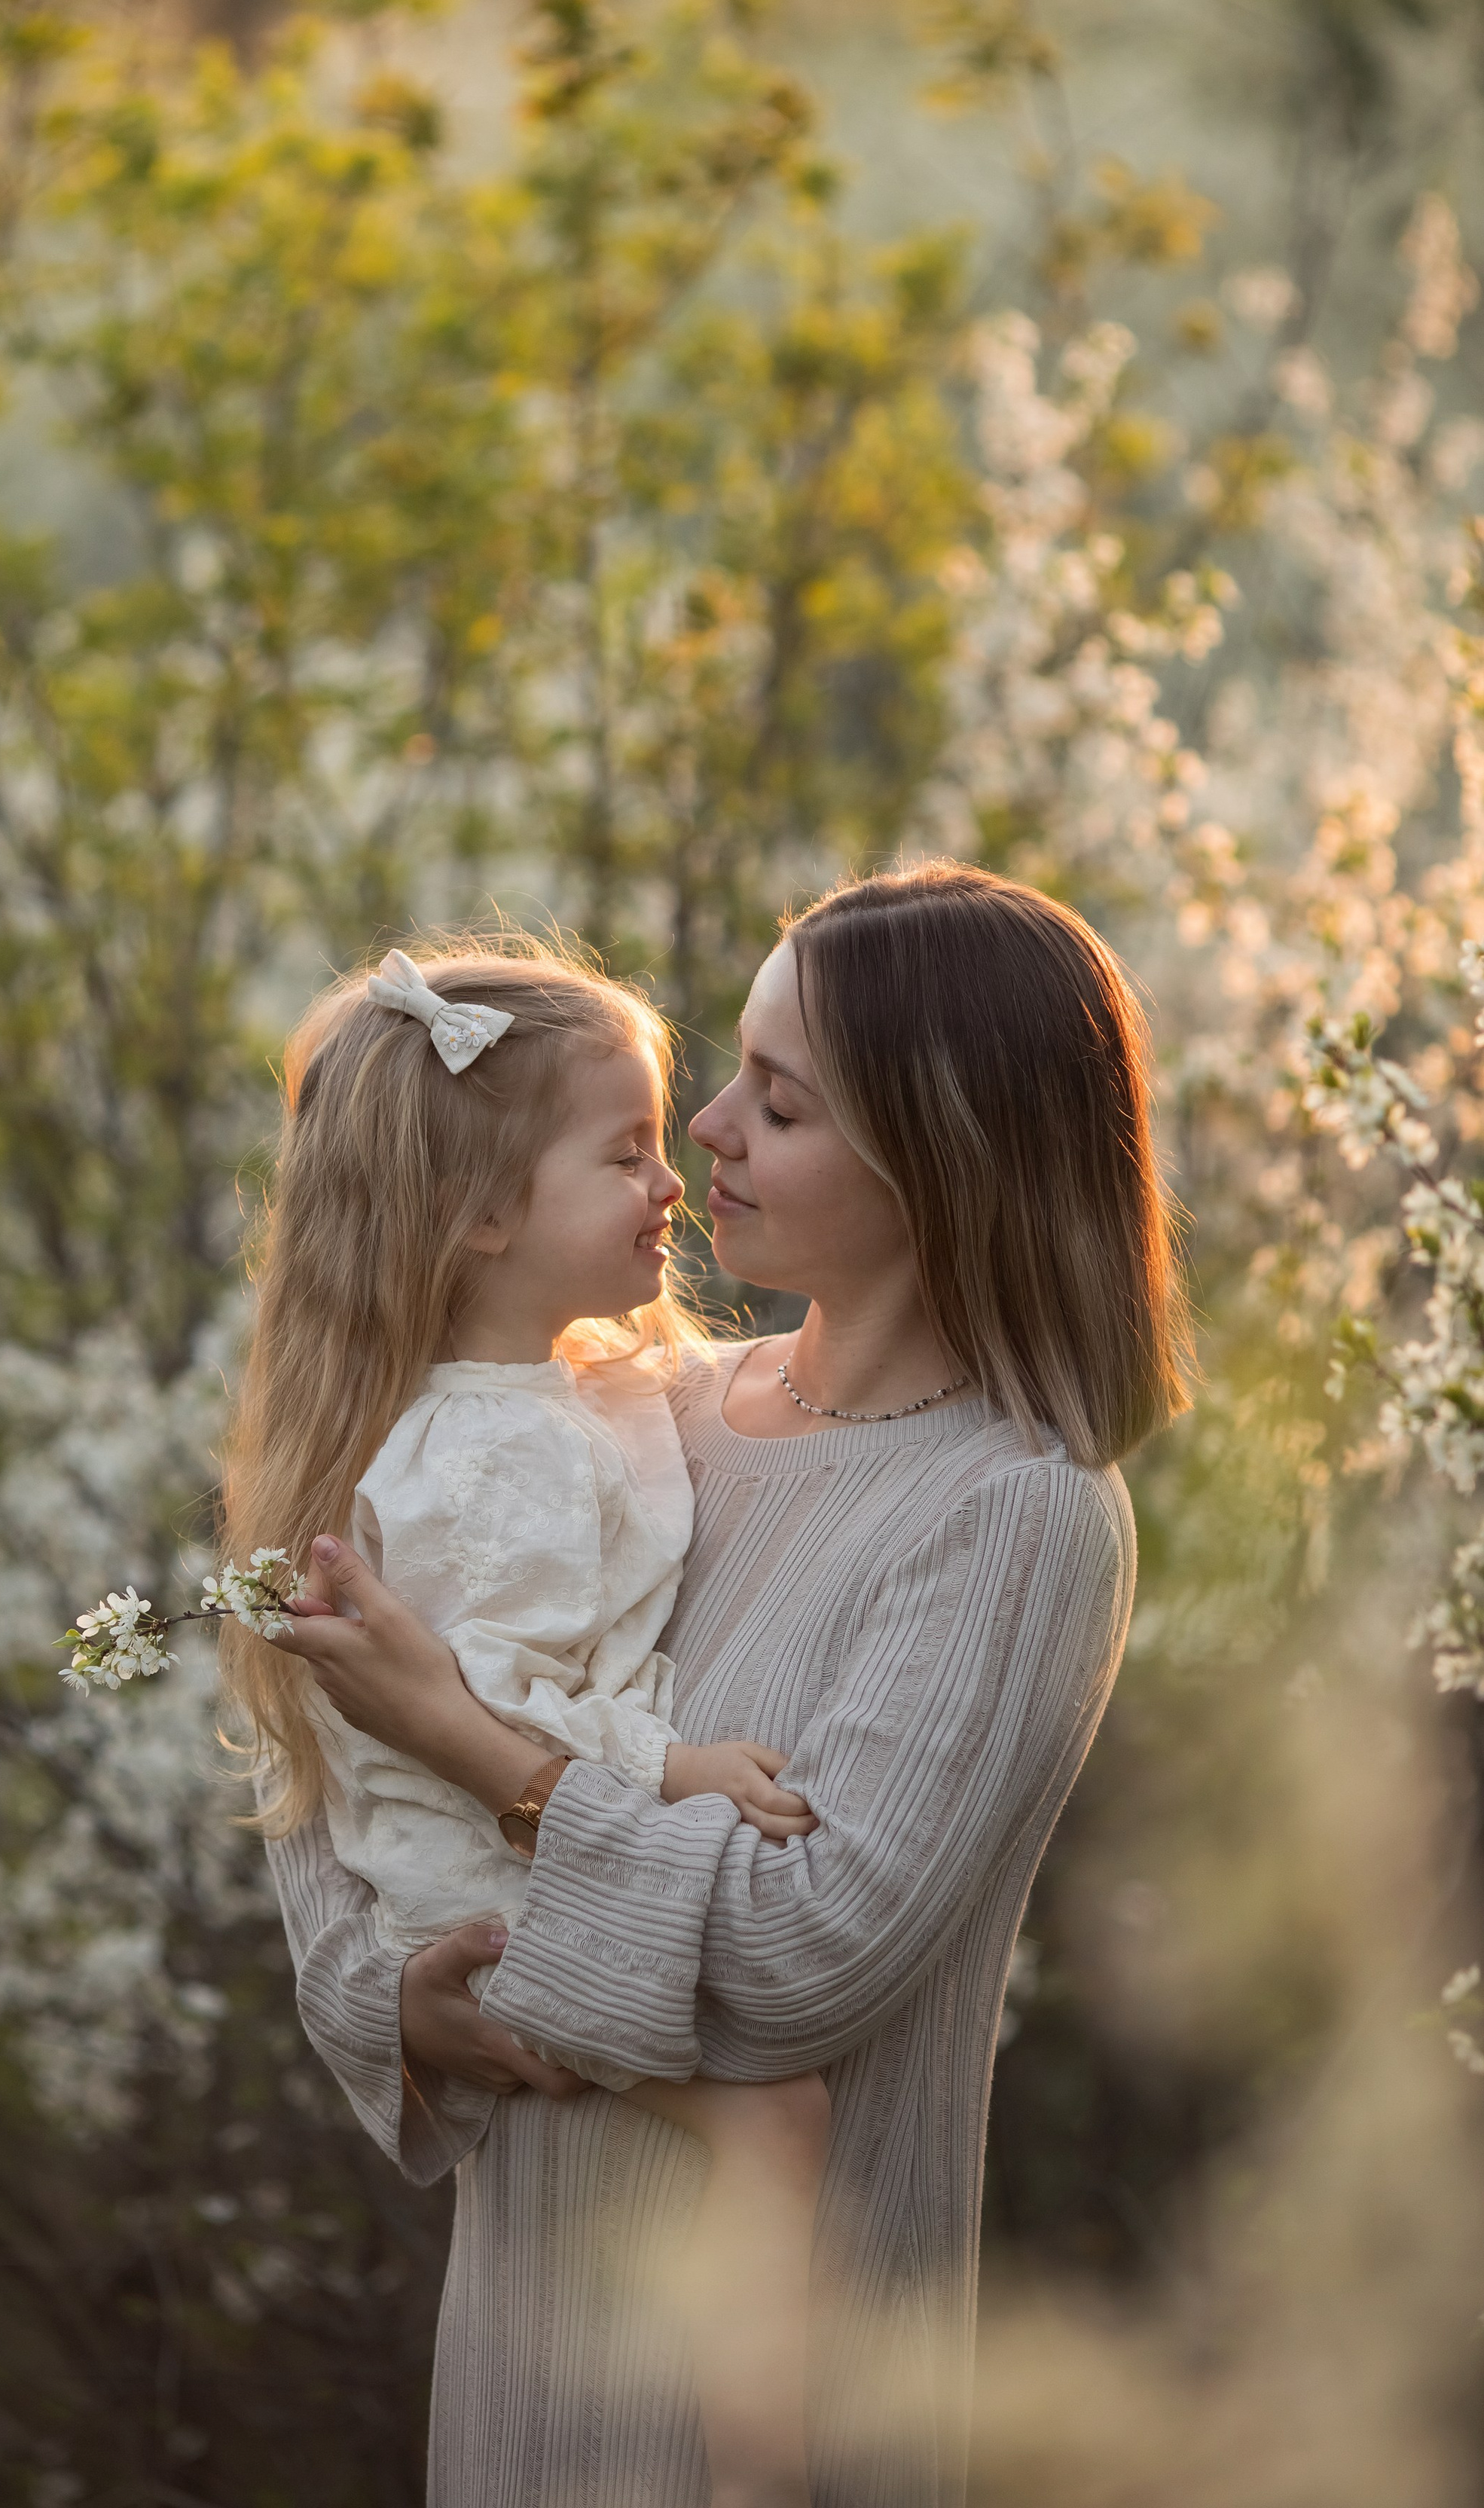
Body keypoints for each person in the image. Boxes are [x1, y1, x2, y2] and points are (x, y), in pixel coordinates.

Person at [269, 862, 1192, 2508]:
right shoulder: (627, 1401)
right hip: (519, 2375)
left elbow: (794, 1960)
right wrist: (390, 1997)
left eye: (779, 1102)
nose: (706, 1128)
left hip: (768, 2432)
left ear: (942, 1157)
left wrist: (490, 1760)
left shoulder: (1013, 1516)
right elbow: (333, 1739)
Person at [215, 936, 843, 2508]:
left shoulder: (546, 1398)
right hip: (494, 1898)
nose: (672, 1183)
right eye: (624, 1155)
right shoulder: (484, 1462)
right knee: (771, 2121)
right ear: (483, 1214)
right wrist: (673, 1768)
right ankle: (757, 2482)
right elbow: (474, 1700)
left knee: (764, 2125)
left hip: (511, 1863)